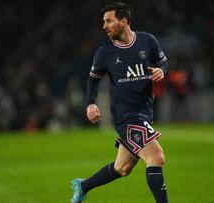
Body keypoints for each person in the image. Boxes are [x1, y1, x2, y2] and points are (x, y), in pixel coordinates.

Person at [71, 2, 169, 203]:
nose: (104, 26)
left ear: (123, 21)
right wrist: (90, 103)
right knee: (156, 156)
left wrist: (162, 71)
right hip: (126, 115)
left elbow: (163, 63)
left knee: (122, 168)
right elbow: (93, 79)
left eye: (109, 21)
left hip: (145, 112)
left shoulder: (147, 41)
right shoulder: (105, 52)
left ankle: (83, 186)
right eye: (103, 22)